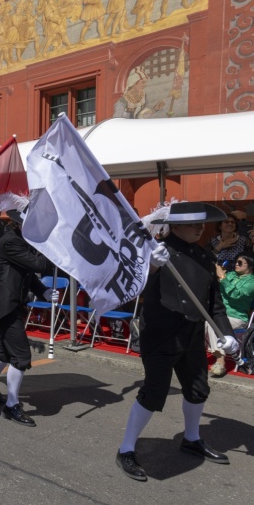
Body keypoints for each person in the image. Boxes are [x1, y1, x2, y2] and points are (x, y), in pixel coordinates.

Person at [116, 202, 239, 482]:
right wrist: (151, 267)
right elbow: (131, 288)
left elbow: (214, 304)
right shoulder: (155, 251)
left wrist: (226, 334)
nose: (200, 228)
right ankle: (126, 449)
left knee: (198, 389)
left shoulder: (204, 255)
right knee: (154, 392)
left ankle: (191, 439)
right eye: (194, 224)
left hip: (191, 333)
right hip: (161, 334)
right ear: (175, 226)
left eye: (202, 224)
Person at [0, 209, 56, 427]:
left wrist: (43, 291)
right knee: (21, 355)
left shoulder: (21, 239)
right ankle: (11, 406)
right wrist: (53, 245)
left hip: (10, 304)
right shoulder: (11, 241)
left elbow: (27, 274)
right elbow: (38, 265)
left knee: (6, 352)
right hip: (4, 305)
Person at [208, 252, 254, 377]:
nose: (236, 265)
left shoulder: (252, 282)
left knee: (213, 323)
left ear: (250, 265)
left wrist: (223, 278)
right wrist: (216, 275)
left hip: (237, 317)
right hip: (220, 314)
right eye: (235, 262)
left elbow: (236, 295)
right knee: (202, 320)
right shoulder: (231, 274)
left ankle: (220, 360)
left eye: (240, 262)